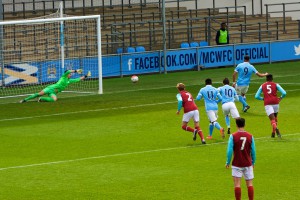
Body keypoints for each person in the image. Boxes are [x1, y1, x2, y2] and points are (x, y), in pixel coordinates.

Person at [226, 118, 256, 200]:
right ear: (244, 124)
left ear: (236, 125)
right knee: (249, 184)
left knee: (237, 184)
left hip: (237, 164)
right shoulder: (250, 136)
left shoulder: (233, 136)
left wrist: (228, 162)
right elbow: (253, 151)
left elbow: (229, 150)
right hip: (248, 163)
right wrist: (253, 162)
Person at [20, 69, 88, 103]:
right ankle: (25, 100)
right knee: (38, 94)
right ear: (67, 74)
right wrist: (76, 70)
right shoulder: (63, 77)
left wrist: (86, 76)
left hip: (53, 92)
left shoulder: (69, 80)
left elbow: (78, 79)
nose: (70, 75)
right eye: (70, 74)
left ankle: (41, 99)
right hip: (50, 88)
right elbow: (68, 71)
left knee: (54, 99)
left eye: (70, 74)